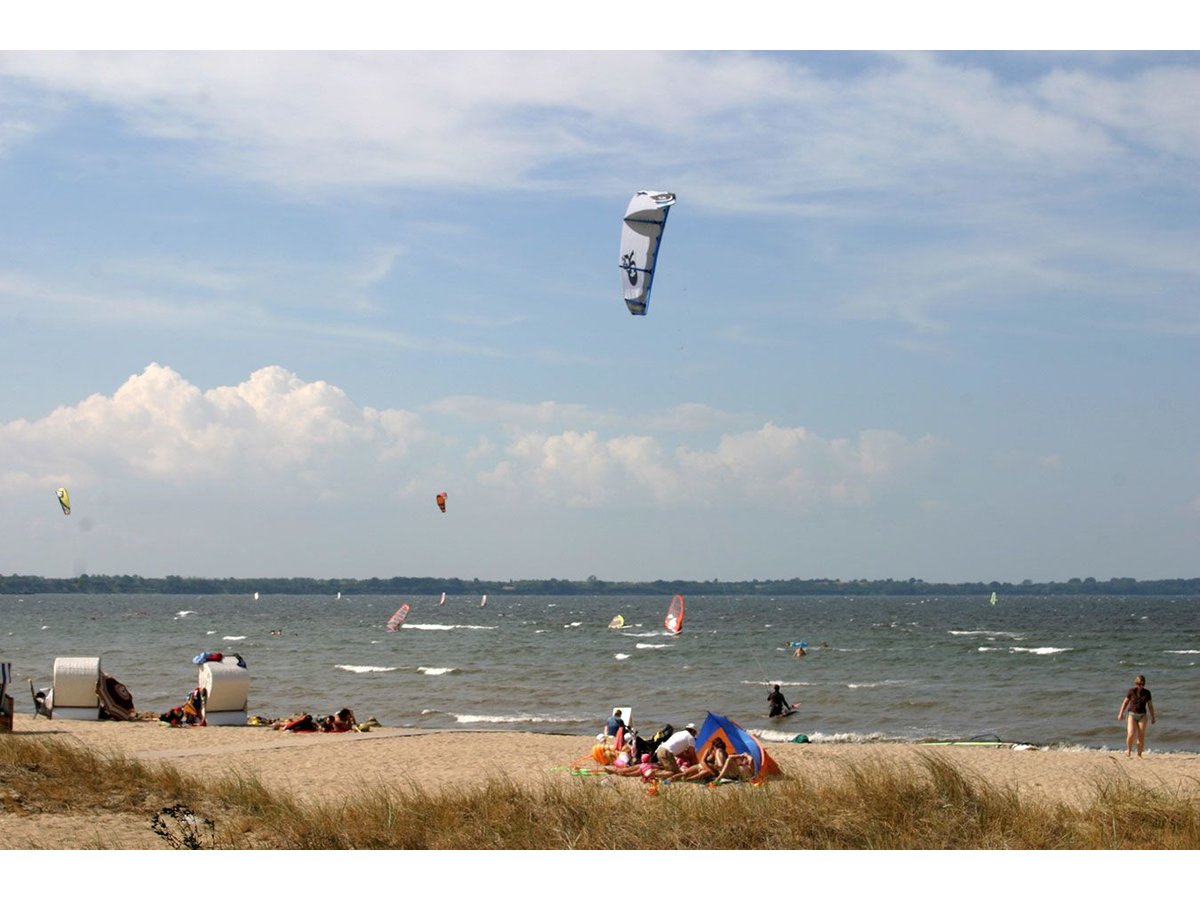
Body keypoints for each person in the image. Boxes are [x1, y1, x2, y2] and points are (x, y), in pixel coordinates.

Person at [1117, 674, 1157, 758]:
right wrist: (1121, 713)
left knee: (1141, 735)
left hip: (1142, 715)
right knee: (1131, 734)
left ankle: (1139, 754)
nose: (1141, 686)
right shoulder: (1131, 691)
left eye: (1142, 684)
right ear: (1136, 683)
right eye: (1139, 684)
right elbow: (1125, 703)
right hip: (1132, 715)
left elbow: (1150, 705)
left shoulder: (1147, 693)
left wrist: (1153, 717)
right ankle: (1128, 750)